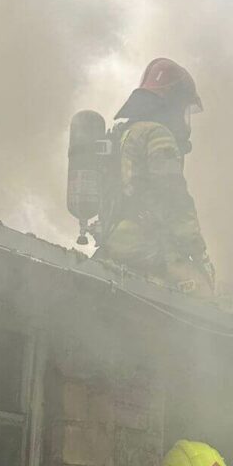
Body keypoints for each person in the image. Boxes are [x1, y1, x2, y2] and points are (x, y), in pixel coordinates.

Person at [94, 58, 214, 296]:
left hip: (114, 241)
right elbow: (174, 196)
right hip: (146, 245)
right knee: (204, 295)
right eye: (184, 107)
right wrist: (199, 255)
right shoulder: (158, 134)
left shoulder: (125, 134)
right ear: (173, 101)